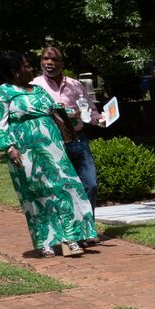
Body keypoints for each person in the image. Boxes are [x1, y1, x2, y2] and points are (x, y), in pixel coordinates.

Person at [0, 51, 97, 257]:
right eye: (27, 66)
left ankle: (71, 237)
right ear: (14, 71)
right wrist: (9, 148)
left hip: (55, 149)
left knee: (66, 189)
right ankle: (46, 241)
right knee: (38, 194)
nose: (31, 69)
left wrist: (72, 116)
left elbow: (56, 114)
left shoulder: (38, 90)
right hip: (26, 152)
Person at [34, 44, 100, 224]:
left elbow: (90, 110)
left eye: (54, 59)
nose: (49, 63)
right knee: (63, 189)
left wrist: (99, 118)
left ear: (61, 63)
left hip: (78, 141)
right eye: (45, 59)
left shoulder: (75, 85)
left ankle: (87, 226)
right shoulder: (34, 86)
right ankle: (71, 231)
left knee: (90, 184)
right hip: (53, 143)